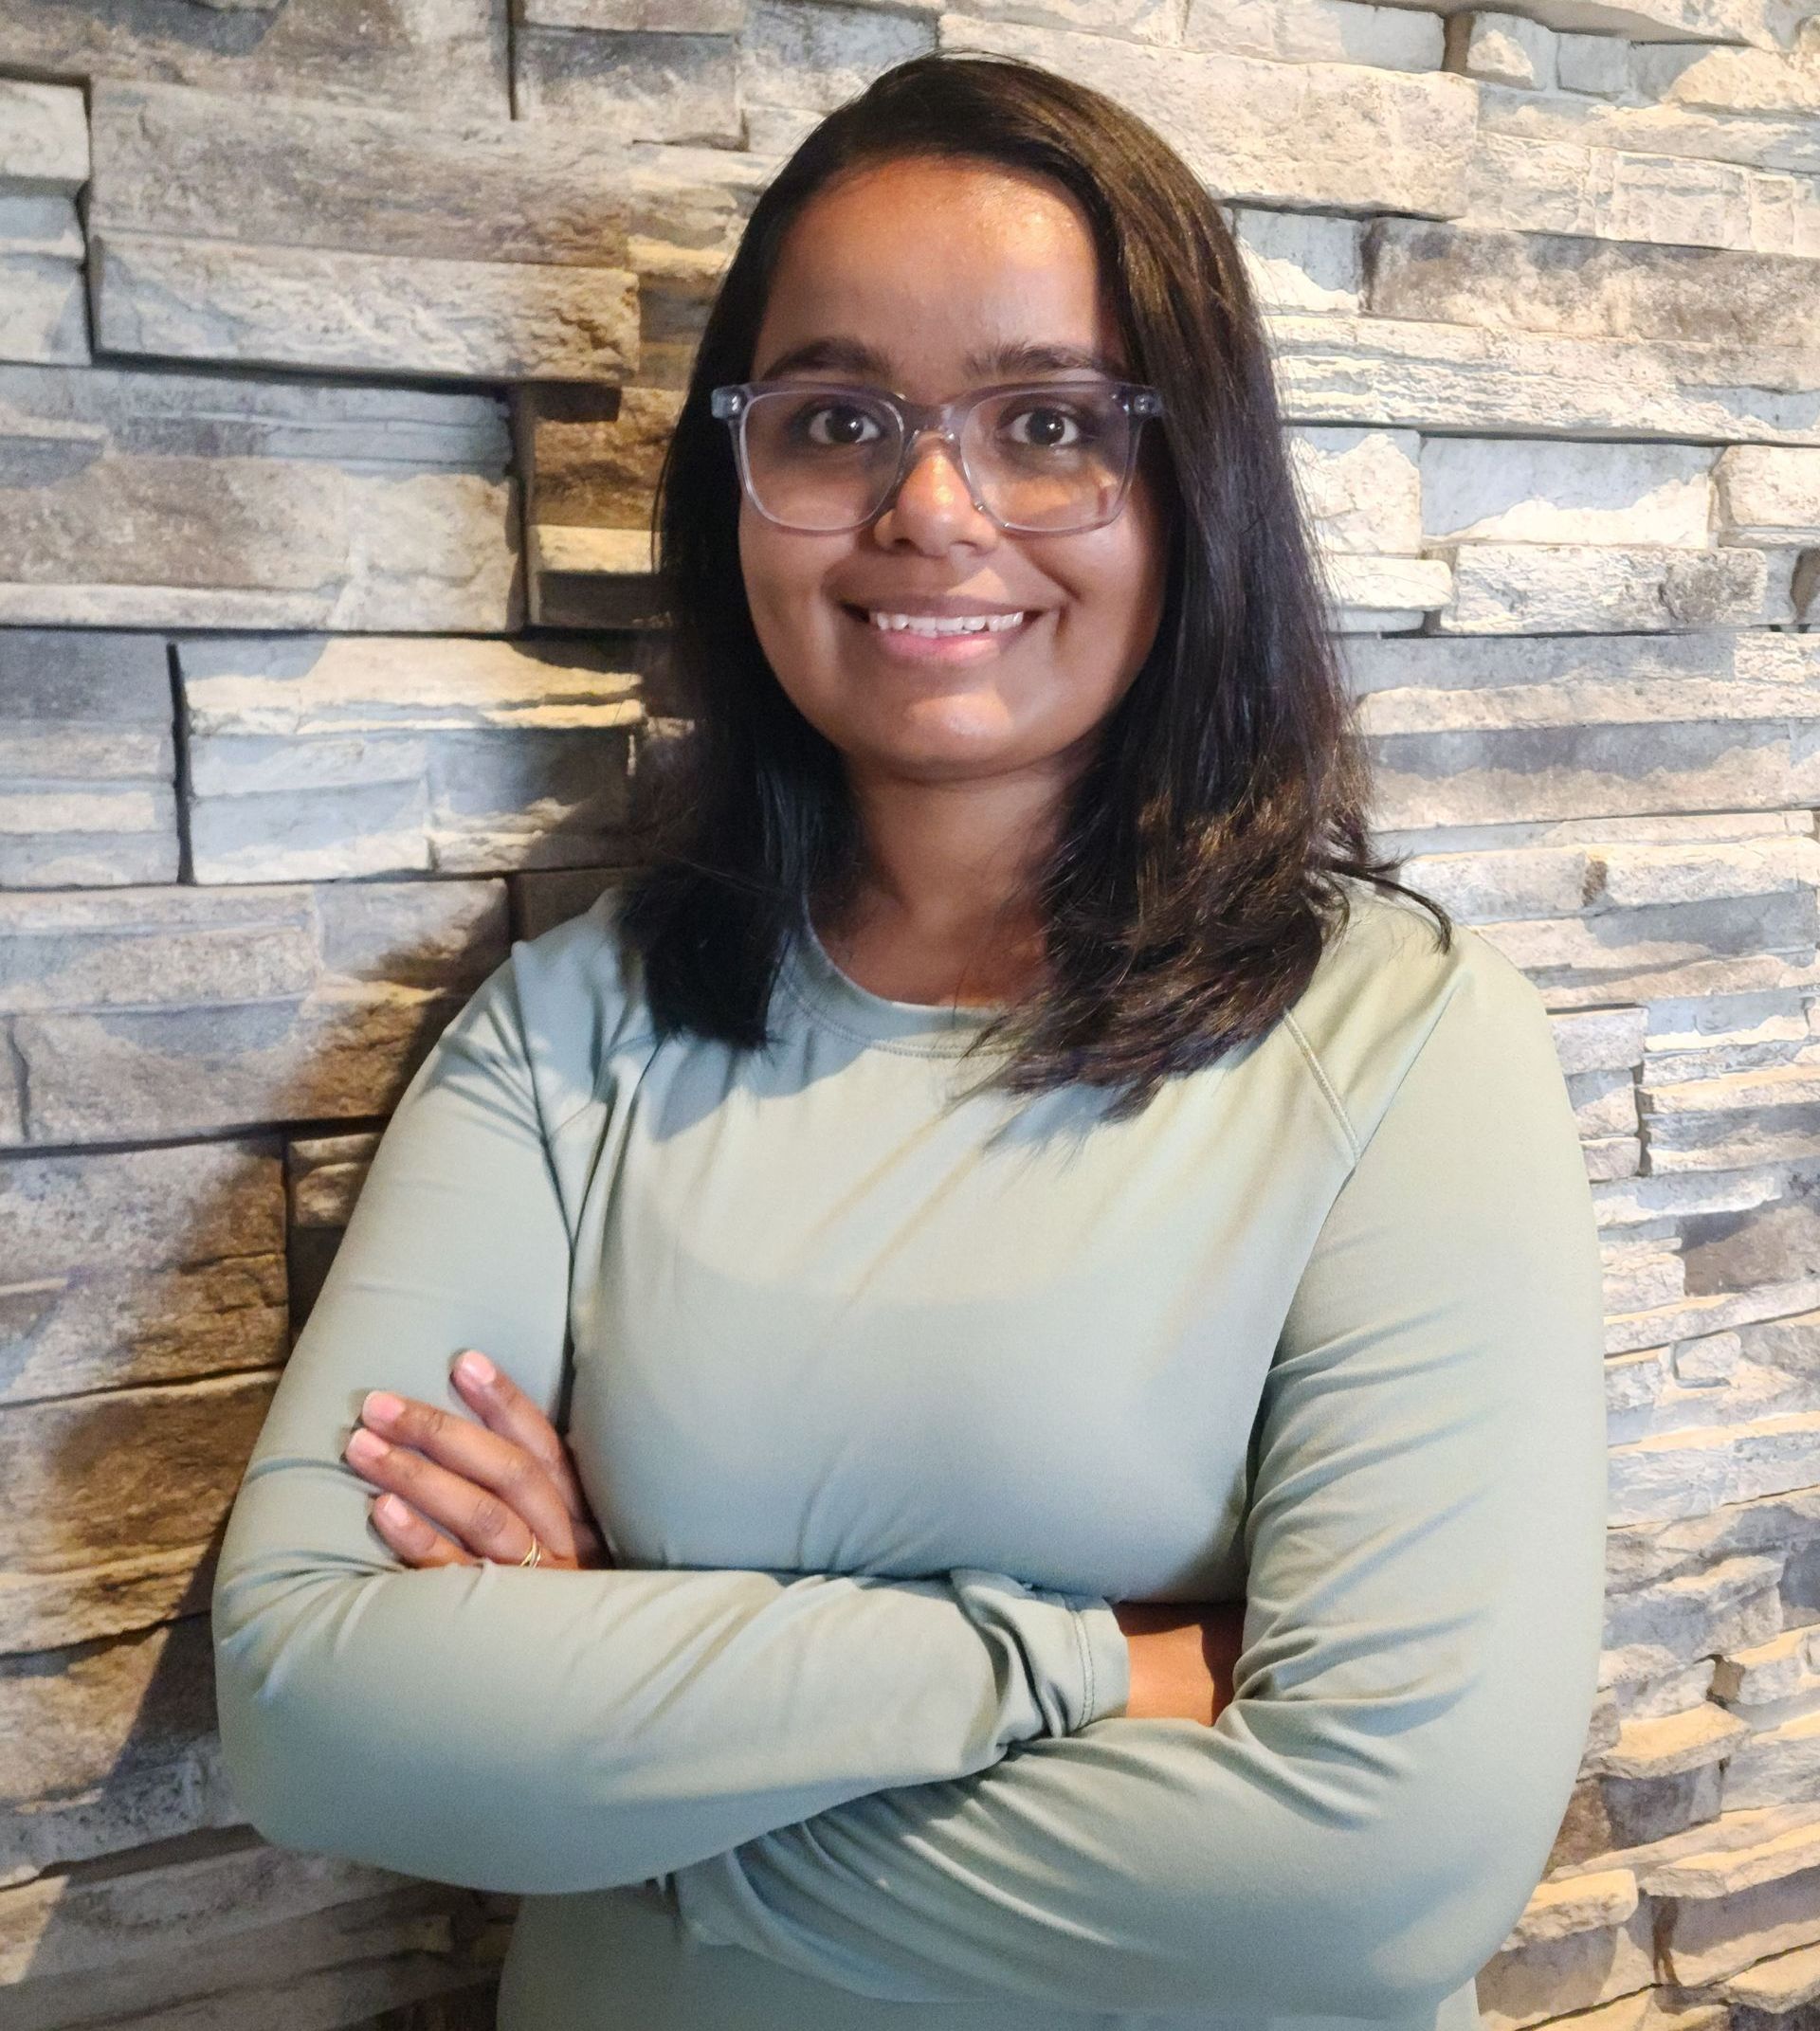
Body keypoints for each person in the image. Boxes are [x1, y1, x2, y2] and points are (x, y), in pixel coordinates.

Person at [210, 51, 1611, 2031]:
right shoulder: (575, 1029)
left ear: (1189, 472)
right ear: (739, 476)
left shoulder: (1401, 1042)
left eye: (1048, 420)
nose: (930, 509)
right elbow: (312, 1714)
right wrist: (1084, 1664)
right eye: (839, 418)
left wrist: (618, 1741)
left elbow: (1372, 1881)